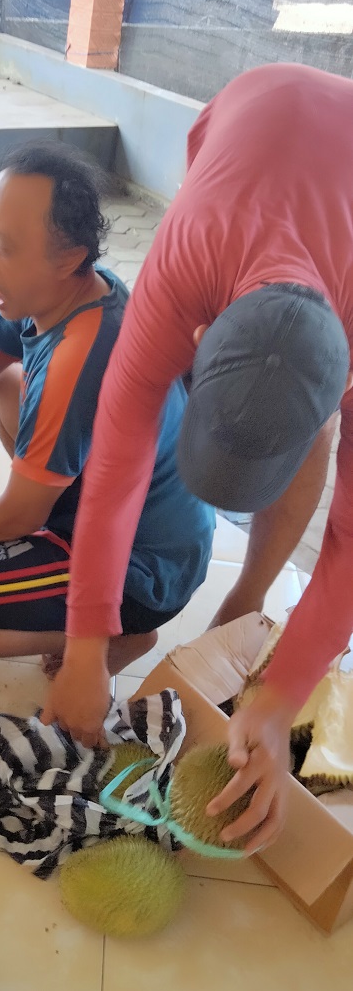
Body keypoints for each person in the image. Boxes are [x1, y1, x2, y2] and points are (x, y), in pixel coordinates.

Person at [43, 63, 353, 855]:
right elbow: (117, 462)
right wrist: (86, 644)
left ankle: (248, 600)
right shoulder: (183, 263)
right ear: (200, 338)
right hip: (252, 107)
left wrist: (280, 699)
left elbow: (349, 545)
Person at [0, 143, 215, 673]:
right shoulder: (58, 291)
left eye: (4, 246)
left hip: (142, 566)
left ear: (69, 256)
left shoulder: (80, 356)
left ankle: (116, 635)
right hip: (106, 506)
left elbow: (20, 512)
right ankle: (51, 554)